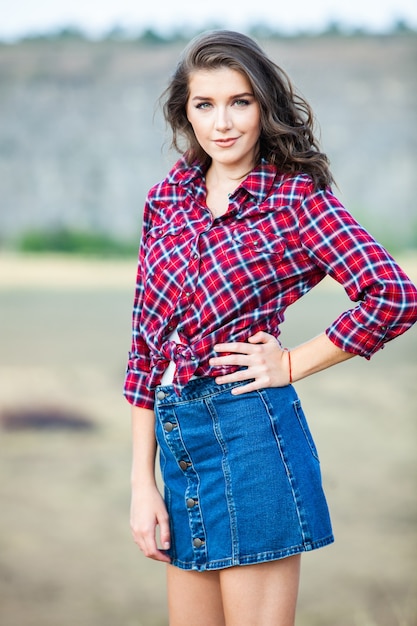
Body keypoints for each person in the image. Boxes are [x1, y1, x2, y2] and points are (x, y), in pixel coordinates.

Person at [124, 30, 417, 626]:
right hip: (178, 442)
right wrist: (140, 482)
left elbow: (393, 295)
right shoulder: (166, 200)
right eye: (205, 104)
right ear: (186, 110)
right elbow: (144, 351)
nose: (222, 122)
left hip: (251, 436)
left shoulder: (295, 200)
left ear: (265, 107)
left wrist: (290, 363)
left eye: (241, 102)